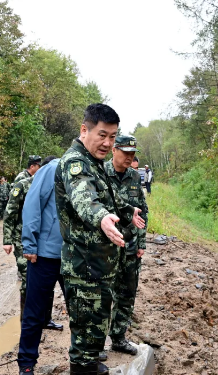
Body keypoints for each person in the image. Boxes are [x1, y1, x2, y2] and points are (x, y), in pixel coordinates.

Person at [55, 103, 145, 375]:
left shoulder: (94, 163)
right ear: (85, 130)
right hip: (84, 268)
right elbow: (85, 198)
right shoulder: (75, 162)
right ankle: (84, 367)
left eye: (113, 137)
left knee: (95, 328)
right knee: (84, 334)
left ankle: (91, 363)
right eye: (102, 135)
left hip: (99, 266)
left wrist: (129, 212)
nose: (107, 143)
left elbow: (110, 197)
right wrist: (102, 217)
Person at [17, 157, 66, 374]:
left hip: (76, 255)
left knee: (82, 310)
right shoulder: (53, 169)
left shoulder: (92, 170)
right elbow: (32, 203)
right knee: (34, 311)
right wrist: (29, 243)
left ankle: (85, 359)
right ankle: (26, 363)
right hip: (45, 255)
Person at [3, 156, 63, 328]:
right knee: (28, 281)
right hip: (23, 239)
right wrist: (7, 240)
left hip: (44, 241)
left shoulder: (54, 184)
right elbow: (10, 213)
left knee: (48, 283)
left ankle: (45, 319)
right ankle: (27, 321)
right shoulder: (23, 184)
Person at [104, 136, 148, 358]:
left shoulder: (133, 176)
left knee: (127, 292)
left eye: (133, 154)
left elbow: (142, 209)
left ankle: (119, 338)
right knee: (102, 294)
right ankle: (96, 343)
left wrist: (141, 242)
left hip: (129, 245)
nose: (129, 158)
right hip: (105, 246)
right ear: (114, 150)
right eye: (125, 153)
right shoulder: (100, 172)